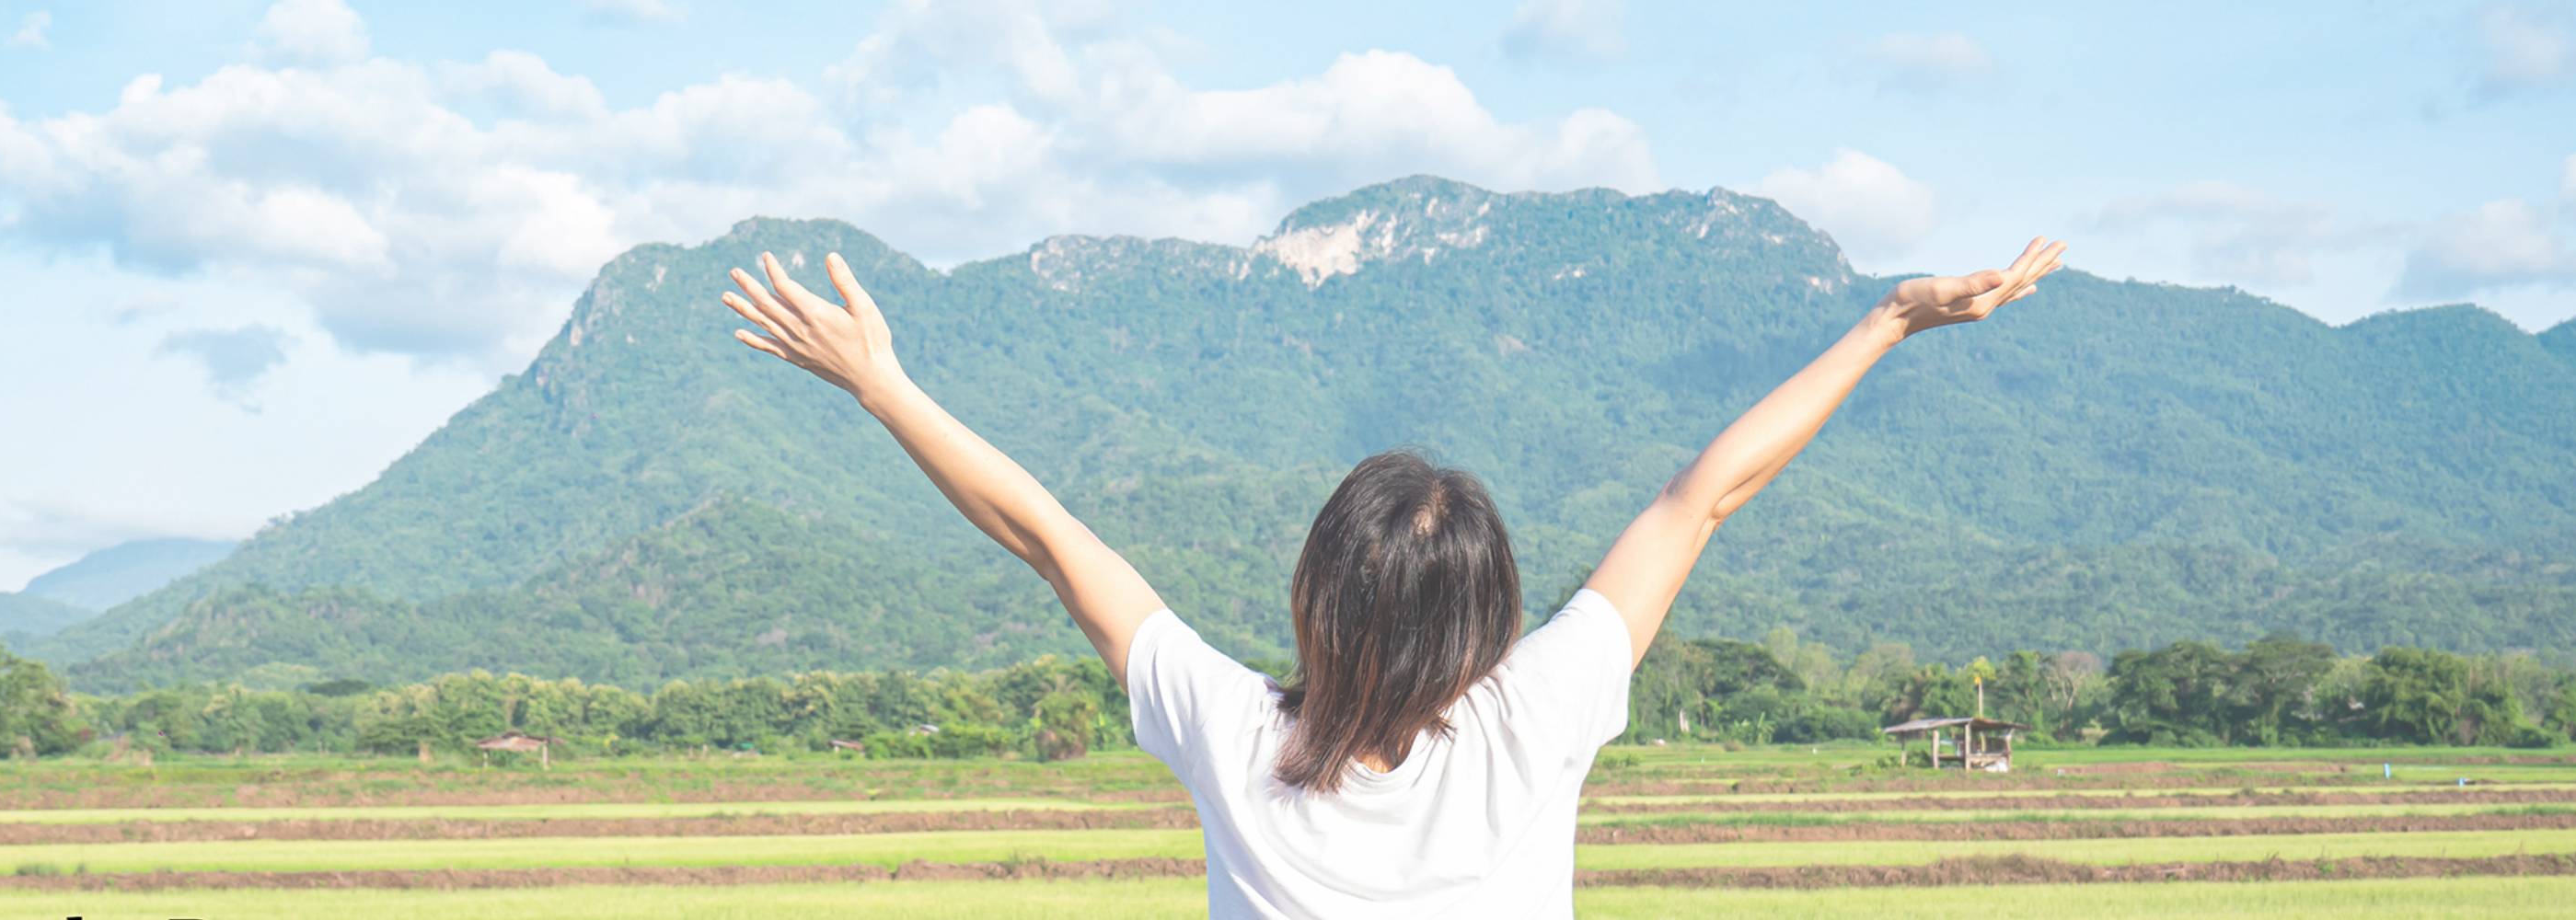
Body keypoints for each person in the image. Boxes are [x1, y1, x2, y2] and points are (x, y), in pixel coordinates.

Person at [715, 237, 2068, 916]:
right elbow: (1703, 496)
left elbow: (1047, 536)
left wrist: (883, 386)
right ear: (1486, 623)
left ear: (1316, 595)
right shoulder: (1537, 717)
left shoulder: (1231, 734)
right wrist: (1889, 321)